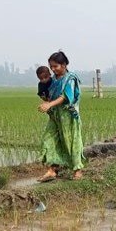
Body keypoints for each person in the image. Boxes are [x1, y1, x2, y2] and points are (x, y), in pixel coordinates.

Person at [37, 51, 84, 182]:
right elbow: (47, 94)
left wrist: (49, 104)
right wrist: (45, 100)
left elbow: (64, 97)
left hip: (68, 116)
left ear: (64, 65)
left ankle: (77, 170)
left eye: (55, 66)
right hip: (55, 116)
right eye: (51, 66)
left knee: (70, 142)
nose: (53, 69)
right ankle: (52, 170)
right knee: (49, 139)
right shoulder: (52, 81)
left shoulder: (70, 79)